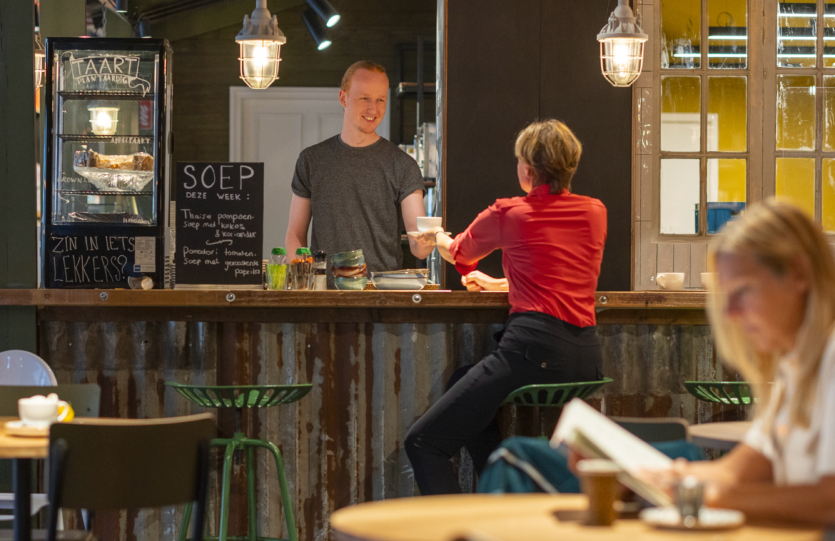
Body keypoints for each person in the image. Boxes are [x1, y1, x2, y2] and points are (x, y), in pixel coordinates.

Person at [404, 119, 608, 495]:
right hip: (587, 358)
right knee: (462, 379)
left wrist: (437, 236)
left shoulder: (510, 213)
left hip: (533, 353)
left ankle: (460, 527)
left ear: (527, 169)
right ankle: (505, 485)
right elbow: (559, 275)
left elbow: (459, 252)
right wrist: (499, 284)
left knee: (422, 443)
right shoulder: (595, 211)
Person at [638, 199, 835, 524]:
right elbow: (735, 471)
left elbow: (829, 501)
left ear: (799, 273)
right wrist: (655, 476)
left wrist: (709, 496)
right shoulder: (795, 367)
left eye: (743, 291)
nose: (730, 313)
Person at [285, 61, 434, 284]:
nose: (373, 109)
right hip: (324, 295)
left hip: (381, 296)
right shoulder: (311, 160)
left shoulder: (404, 165)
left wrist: (431, 237)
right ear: (343, 98)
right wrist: (301, 276)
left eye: (380, 100)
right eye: (365, 98)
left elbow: (418, 246)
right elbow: (295, 234)